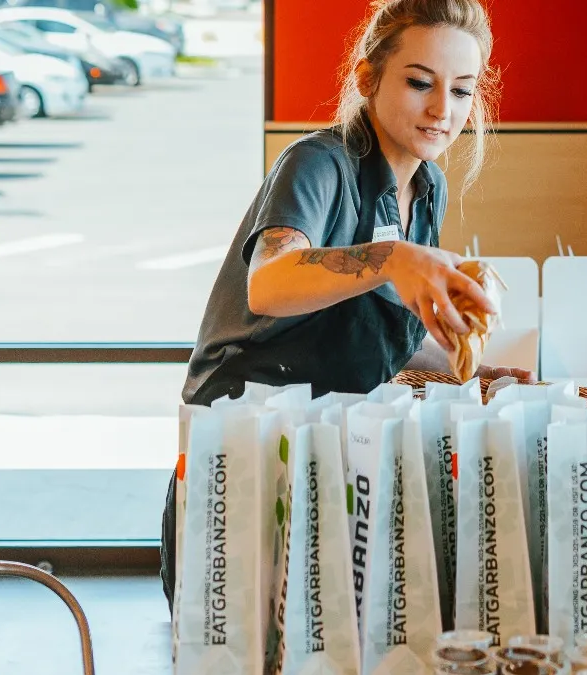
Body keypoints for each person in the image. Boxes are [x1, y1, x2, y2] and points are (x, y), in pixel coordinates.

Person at [159, 0, 533, 611]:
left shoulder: (426, 188)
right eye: (420, 83)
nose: (444, 110)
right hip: (243, 455)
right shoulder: (318, 162)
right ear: (367, 79)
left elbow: (375, 323)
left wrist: (469, 369)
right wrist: (391, 257)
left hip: (331, 452)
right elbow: (271, 282)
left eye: (462, 90)